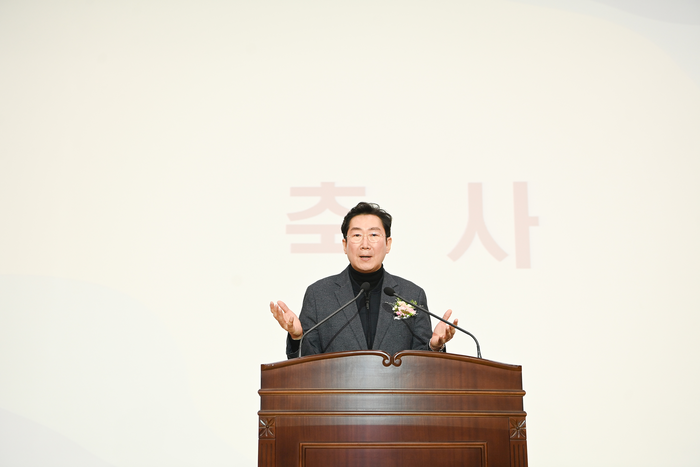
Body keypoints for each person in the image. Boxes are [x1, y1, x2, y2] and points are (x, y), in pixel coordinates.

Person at [270, 202, 458, 359]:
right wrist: (297, 337)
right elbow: (306, 365)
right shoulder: (318, 294)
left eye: (374, 235)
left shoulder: (411, 294)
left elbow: (422, 366)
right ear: (345, 244)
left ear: (388, 244)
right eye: (357, 235)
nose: (365, 244)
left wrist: (434, 348)